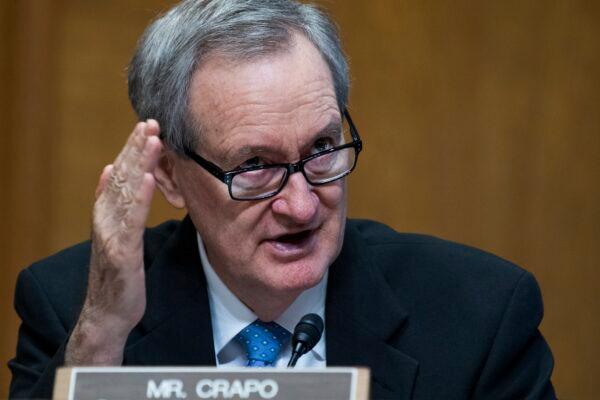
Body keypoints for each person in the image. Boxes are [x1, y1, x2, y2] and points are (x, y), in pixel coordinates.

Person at [8, 0, 556, 399]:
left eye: (321, 148)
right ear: (171, 176)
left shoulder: (481, 315)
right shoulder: (72, 310)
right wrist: (104, 333)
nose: (302, 206)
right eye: (254, 165)